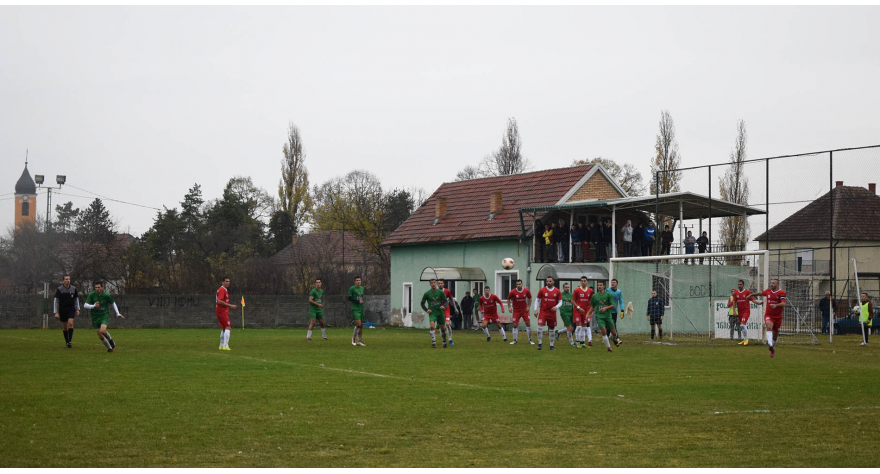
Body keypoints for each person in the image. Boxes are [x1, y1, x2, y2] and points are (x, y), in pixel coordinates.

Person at [83, 281, 125, 353]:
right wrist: (93, 306)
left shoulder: (106, 295)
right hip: (95, 317)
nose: (97, 289)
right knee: (100, 336)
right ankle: (110, 348)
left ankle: (111, 340)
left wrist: (117, 313)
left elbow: (113, 303)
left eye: (99, 287)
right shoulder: (92, 294)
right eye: (96, 287)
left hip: (103, 315)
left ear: (102, 287)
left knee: (102, 331)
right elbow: (85, 305)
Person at [754, 279, 786, 357]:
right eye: (771, 283)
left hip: (778, 317)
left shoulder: (782, 293)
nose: (771, 284)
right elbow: (761, 293)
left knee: (775, 336)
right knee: (769, 326)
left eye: (773, 283)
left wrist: (776, 305)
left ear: (777, 285)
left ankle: (772, 347)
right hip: (769, 315)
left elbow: (783, 303)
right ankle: (770, 345)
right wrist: (751, 295)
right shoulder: (768, 291)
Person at [534, 277, 562, 350]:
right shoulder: (542, 290)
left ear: (553, 282)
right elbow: (537, 300)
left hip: (552, 313)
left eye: (550, 281)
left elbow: (560, 302)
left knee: (551, 329)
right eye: (547, 281)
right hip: (543, 312)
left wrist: (556, 307)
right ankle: (540, 343)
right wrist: (535, 309)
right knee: (540, 326)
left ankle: (551, 345)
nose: (548, 282)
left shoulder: (557, 291)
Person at [591, 281, 620, 352]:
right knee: (604, 331)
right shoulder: (594, 296)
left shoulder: (608, 294)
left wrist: (605, 308)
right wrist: (588, 313)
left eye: (601, 285)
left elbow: (613, 305)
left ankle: (613, 338)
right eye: (598, 285)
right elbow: (592, 306)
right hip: (599, 316)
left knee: (614, 333)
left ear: (604, 286)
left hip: (608, 316)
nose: (599, 287)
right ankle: (609, 348)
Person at [420, 279, 449, 348]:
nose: (433, 284)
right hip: (432, 313)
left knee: (442, 328)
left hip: (440, 312)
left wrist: (444, 306)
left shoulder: (440, 292)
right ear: (430, 284)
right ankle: (433, 342)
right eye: (432, 283)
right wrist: (427, 310)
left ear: (436, 284)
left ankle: (444, 342)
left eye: (434, 283)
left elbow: (446, 301)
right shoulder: (427, 293)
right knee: (432, 326)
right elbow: (422, 303)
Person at [53, 274, 80, 348]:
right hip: (62, 309)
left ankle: (70, 341)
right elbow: (56, 301)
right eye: (66, 279)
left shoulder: (73, 289)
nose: (68, 281)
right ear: (63, 281)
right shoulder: (60, 289)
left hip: (71, 308)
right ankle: (67, 341)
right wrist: (56, 312)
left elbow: (76, 299)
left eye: (69, 279)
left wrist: (78, 309)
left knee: (70, 323)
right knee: (65, 326)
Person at [506, 279, 534, 345]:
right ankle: (515, 340)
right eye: (517, 284)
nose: (518, 285)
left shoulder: (526, 290)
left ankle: (530, 340)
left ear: (522, 284)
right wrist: (509, 307)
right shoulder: (513, 291)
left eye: (519, 284)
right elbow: (508, 298)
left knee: (528, 323)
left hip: (524, 310)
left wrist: (528, 307)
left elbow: (530, 298)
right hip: (516, 310)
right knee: (515, 325)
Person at [214, 276, 236, 350]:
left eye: (229, 281)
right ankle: (226, 345)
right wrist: (230, 305)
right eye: (226, 281)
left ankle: (221, 345)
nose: (228, 283)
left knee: (224, 328)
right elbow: (219, 301)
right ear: (223, 282)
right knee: (228, 326)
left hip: (221, 311)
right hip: (221, 311)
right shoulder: (222, 290)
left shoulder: (224, 290)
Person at [733, 279, 757, 345]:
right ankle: (744, 339)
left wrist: (758, 303)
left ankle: (746, 340)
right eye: (738, 284)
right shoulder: (736, 293)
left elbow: (753, 299)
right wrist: (734, 311)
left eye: (740, 284)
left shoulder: (747, 292)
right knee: (742, 325)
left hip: (746, 311)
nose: (739, 286)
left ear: (743, 285)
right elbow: (734, 302)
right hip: (740, 312)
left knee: (743, 324)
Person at [573, 277, 594, 347]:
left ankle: (582, 343)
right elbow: (572, 300)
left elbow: (590, 301)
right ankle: (577, 342)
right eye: (582, 281)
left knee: (584, 327)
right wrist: (578, 307)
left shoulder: (590, 291)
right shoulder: (577, 290)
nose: (583, 282)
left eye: (584, 281)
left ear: (587, 282)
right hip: (577, 311)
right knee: (578, 326)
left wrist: (591, 310)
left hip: (586, 311)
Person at [556, 283, 577, 347]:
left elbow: (575, 302)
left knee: (572, 328)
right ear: (563, 288)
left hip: (571, 312)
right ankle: (572, 343)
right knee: (569, 328)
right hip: (564, 313)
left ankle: (558, 332)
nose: (567, 289)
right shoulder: (560, 295)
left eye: (568, 287)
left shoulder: (571, 295)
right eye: (566, 287)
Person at [348, 276, 366, 346]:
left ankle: (360, 341)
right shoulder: (352, 288)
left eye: (359, 280)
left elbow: (361, 297)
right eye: (357, 280)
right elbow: (349, 298)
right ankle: (353, 338)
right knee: (358, 324)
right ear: (355, 282)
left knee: (361, 325)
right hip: (355, 309)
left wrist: (361, 302)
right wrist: (358, 301)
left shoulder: (362, 288)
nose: (358, 281)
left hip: (361, 309)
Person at [437, 280, 457, 346]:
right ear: (437, 284)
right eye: (439, 283)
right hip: (439, 310)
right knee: (441, 326)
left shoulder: (447, 291)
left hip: (446, 309)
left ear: (443, 284)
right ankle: (444, 339)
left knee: (448, 324)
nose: (440, 284)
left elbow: (452, 299)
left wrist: (455, 308)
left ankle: (450, 339)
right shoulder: (435, 292)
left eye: (441, 283)